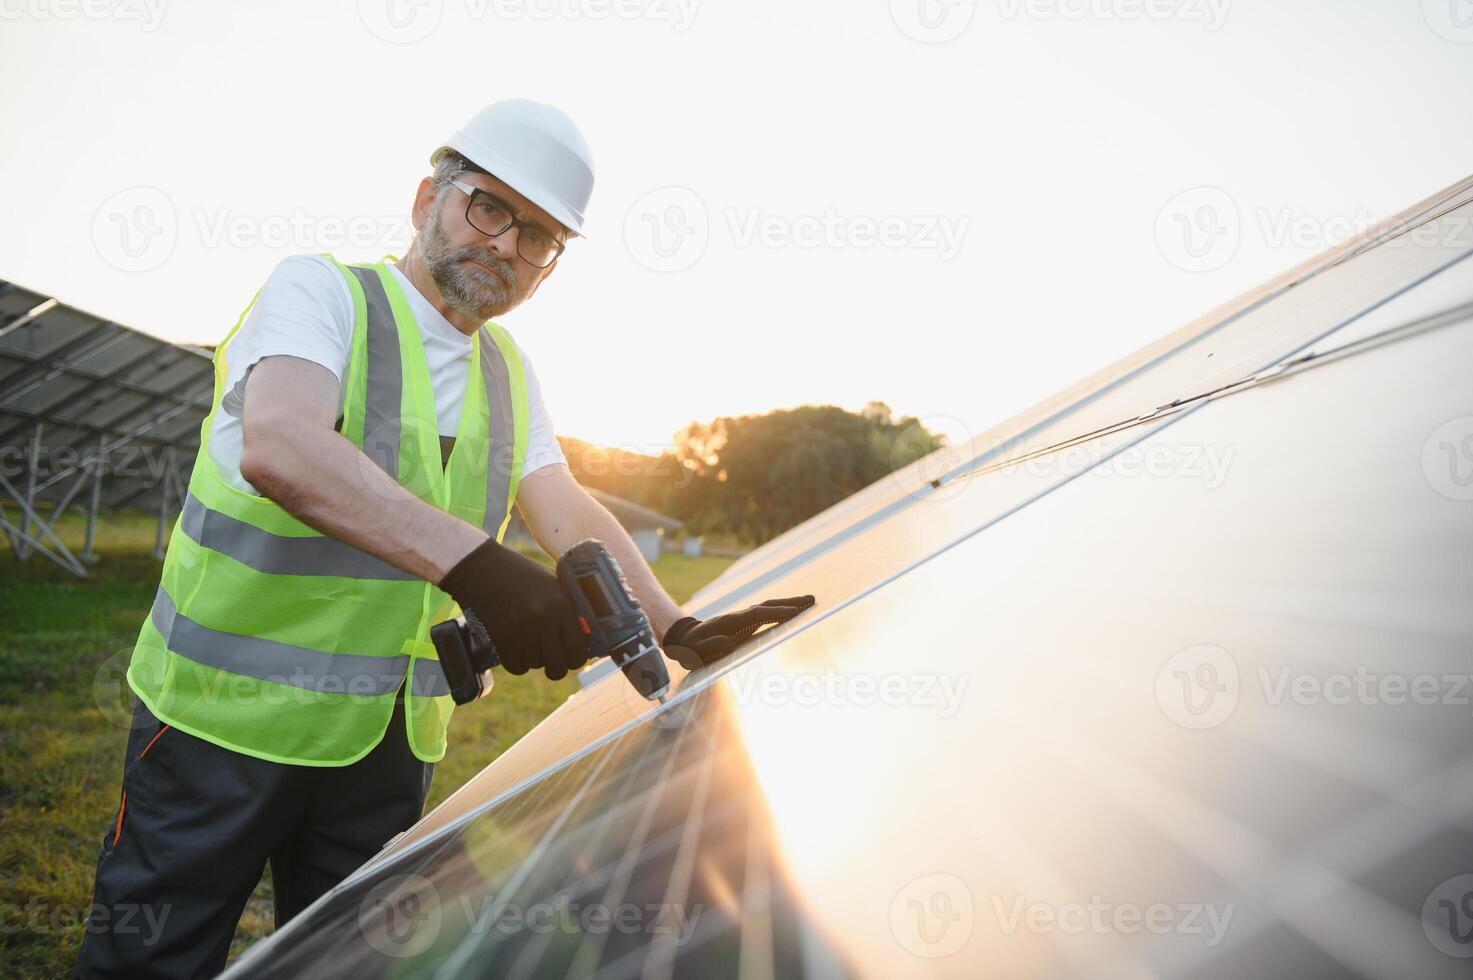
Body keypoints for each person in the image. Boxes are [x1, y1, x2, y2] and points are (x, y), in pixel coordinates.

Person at [73, 98, 813, 979]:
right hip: (221, 727)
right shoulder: (321, 293)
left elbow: (562, 503)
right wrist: (478, 566)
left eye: (537, 236)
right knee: (150, 960)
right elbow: (282, 445)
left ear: (550, 268)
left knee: (358, 966)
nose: (505, 245)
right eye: (488, 207)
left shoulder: (507, 372)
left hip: (387, 747)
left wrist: (673, 624)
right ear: (428, 197)